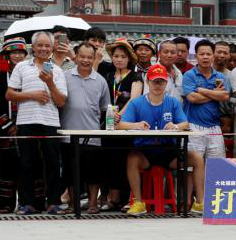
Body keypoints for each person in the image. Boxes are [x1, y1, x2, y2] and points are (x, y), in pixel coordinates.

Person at [6, 32, 67, 215]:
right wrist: (31, 95)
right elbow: (10, 94)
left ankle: (54, 202)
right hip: (26, 120)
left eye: (47, 46)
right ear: (32, 48)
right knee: (26, 162)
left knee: (53, 163)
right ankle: (27, 203)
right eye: (39, 45)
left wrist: (50, 83)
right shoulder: (21, 67)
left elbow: (61, 101)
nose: (43, 49)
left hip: (50, 121)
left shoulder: (57, 70)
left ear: (52, 48)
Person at [119, 64, 189, 216]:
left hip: (169, 152)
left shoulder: (173, 102)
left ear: (166, 83)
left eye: (161, 82)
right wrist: (136, 125)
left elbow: (185, 123)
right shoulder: (136, 103)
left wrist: (175, 126)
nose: (158, 85)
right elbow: (121, 124)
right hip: (145, 152)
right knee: (132, 158)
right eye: (154, 81)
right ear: (147, 82)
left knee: (196, 158)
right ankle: (138, 202)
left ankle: (194, 202)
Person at [61, 42, 111, 214]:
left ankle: (92, 204)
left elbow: (106, 108)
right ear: (75, 56)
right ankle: (73, 204)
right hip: (68, 133)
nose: (85, 60)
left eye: (90, 57)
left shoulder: (101, 81)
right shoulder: (64, 76)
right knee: (70, 171)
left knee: (93, 172)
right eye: (82, 56)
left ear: (94, 58)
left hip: (93, 134)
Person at [182, 40, 229, 213]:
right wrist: (214, 93)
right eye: (201, 54)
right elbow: (191, 98)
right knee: (190, 167)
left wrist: (202, 90)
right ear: (196, 56)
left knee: (217, 166)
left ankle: (214, 203)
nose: (205, 57)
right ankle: (187, 203)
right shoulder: (189, 75)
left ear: (213, 55)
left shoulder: (220, 76)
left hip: (214, 128)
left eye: (208, 54)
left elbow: (225, 96)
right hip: (193, 126)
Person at [102, 39, 143, 211]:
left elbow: (134, 99)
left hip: (127, 123)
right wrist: (110, 114)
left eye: (123, 57)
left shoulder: (136, 77)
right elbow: (103, 99)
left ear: (129, 59)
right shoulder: (108, 77)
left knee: (125, 159)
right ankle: (112, 198)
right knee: (110, 160)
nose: (119, 59)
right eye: (116, 56)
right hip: (109, 123)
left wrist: (119, 115)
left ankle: (128, 198)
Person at [0, 38, 28, 214]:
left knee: (27, 165)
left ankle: (26, 201)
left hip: (26, 126)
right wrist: (8, 125)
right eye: (13, 53)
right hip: (5, 130)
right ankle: (5, 203)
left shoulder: (30, 74)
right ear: (7, 55)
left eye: (21, 52)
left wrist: (22, 125)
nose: (17, 56)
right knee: (5, 165)